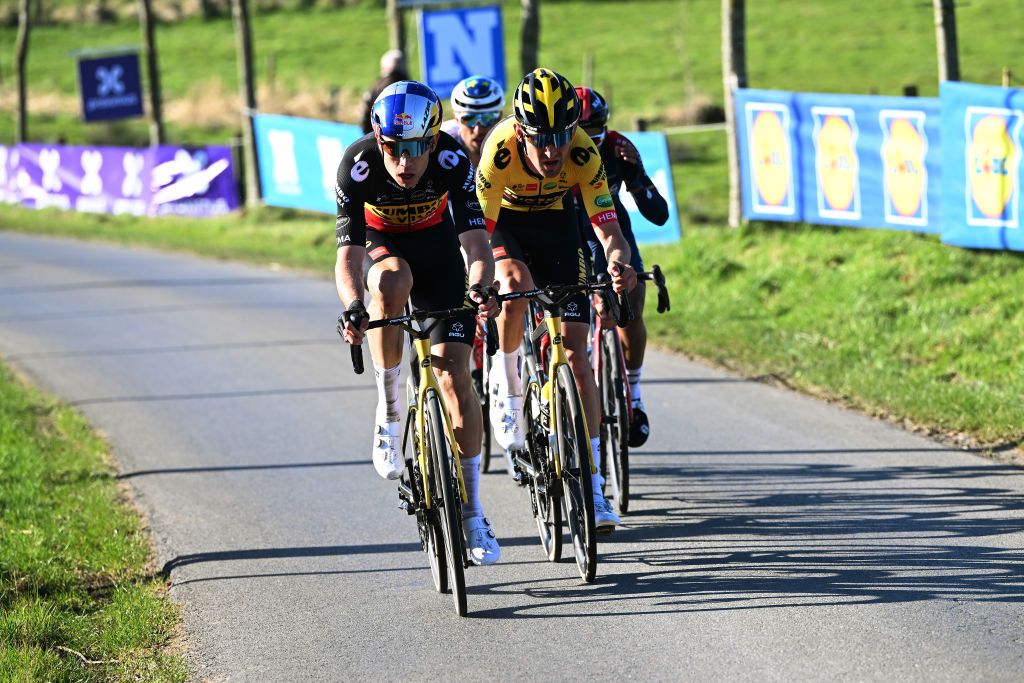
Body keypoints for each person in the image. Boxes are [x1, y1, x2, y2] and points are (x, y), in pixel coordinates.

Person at [336, 81, 501, 565]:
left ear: (433, 140)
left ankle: (472, 512)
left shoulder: (453, 160)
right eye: (393, 148)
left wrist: (480, 285)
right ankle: (389, 411)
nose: (405, 162)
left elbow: (474, 241)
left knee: (455, 383)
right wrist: (351, 305)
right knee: (390, 282)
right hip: (384, 247)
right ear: (377, 139)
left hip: (439, 252)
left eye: (416, 149)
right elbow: (347, 258)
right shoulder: (358, 165)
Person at [475, 68, 637, 531]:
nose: (552, 151)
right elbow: (478, 236)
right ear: (522, 131)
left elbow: (609, 230)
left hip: (556, 224)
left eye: (561, 137)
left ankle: (592, 483)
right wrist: (480, 282)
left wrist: (617, 264)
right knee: (513, 282)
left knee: (578, 356)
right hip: (504, 223)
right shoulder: (499, 149)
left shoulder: (583, 151)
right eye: (541, 139)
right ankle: (504, 381)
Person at [574, 86, 669, 447]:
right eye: (582, 134)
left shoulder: (617, 148)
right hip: (571, 228)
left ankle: (634, 392)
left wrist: (638, 173)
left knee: (633, 300)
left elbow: (658, 216)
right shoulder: (555, 153)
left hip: (612, 226)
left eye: (595, 133)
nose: (590, 142)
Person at [440, 75, 506, 169]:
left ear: (499, 118)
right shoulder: (440, 143)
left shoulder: (513, 143)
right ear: (456, 119)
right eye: (469, 119)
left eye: (487, 119)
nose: (478, 130)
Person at [358, 49, 410, 134]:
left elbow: (364, 113)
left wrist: (370, 136)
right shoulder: (410, 87)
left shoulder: (376, 86)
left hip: (381, 138)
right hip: (409, 136)